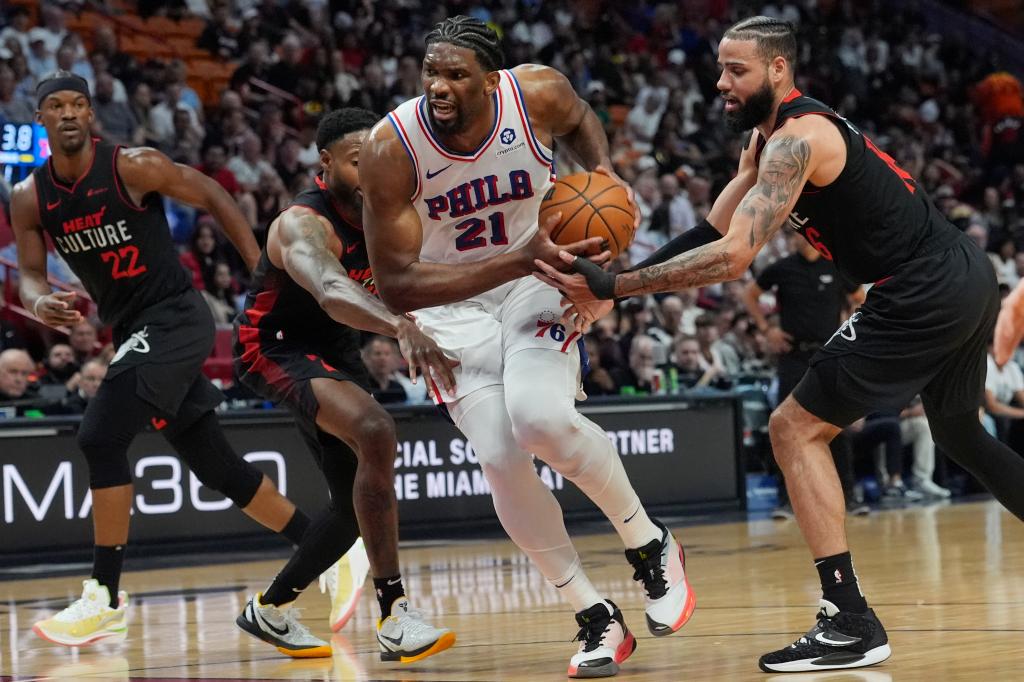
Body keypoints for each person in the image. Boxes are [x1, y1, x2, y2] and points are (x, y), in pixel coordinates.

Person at [538, 16, 1024, 672]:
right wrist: (608, 289)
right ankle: (851, 618)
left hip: (922, 285)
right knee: (962, 435)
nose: (721, 83)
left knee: (792, 429)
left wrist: (617, 285)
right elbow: (715, 228)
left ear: (777, 70)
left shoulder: (798, 139)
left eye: (735, 70)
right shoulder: (765, 145)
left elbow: (735, 257)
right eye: (718, 70)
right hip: (960, 274)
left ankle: (850, 620)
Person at [359, 16, 693, 678]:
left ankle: (649, 544)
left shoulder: (536, 93)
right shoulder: (390, 147)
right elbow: (396, 284)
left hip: (538, 279)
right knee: (499, 455)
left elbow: (578, 120)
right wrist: (516, 261)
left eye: (456, 75)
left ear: (491, 79)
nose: (439, 87)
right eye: (431, 73)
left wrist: (602, 176)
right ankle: (595, 616)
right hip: (450, 305)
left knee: (539, 418)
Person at [11, 71, 311, 648]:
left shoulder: (133, 165)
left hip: (175, 315)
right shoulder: (31, 196)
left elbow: (215, 195)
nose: (69, 113)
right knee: (215, 464)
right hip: (130, 327)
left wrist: (259, 271)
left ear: (93, 117)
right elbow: (27, 275)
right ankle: (325, 545)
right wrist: (38, 299)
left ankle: (104, 595)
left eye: (79, 104)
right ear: (41, 119)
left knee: (100, 437)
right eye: (56, 106)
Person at [233, 108, 455, 661]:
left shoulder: (385, 214)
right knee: (377, 429)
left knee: (350, 509)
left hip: (333, 350)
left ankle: (269, 609)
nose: (371, 172)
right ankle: (394, 614)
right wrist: (399, 326)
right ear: (326, 162)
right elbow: (331, 288)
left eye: (379, 162)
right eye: (359, 162)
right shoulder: (300, 224)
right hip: (274, 345)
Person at [742, 231, 866, 517]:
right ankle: (785, 501)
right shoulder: (783, 268)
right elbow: (749, 294)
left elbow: (860, 297)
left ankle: (850, 495)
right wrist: (766, 329)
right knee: (787, 428)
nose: (799, 239)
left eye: (802, 235)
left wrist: (847, 327)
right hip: (794, 355)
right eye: (794, 235)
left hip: (829, 354)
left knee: (838, 425)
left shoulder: (835, 266)